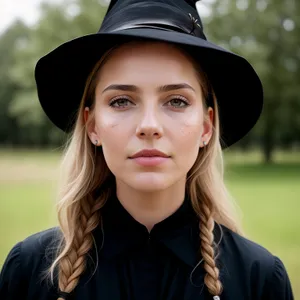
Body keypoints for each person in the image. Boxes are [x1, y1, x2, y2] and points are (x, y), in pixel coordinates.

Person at [0, 0, 294, 299]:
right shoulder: (30, 270)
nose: (149, 125)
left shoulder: (259, 278)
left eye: (177, 101)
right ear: (93, 126)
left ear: (207, 127)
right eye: (122, 101)